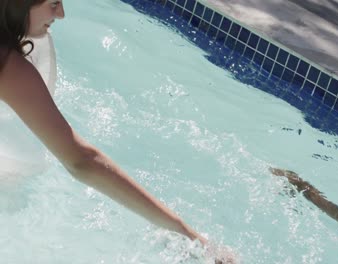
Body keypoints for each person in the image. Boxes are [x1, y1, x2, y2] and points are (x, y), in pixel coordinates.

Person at [0, 0, 223, 257]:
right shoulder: (9, 68)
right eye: (54, 4)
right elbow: (82, 162)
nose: (61, 14)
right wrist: (189, 235)